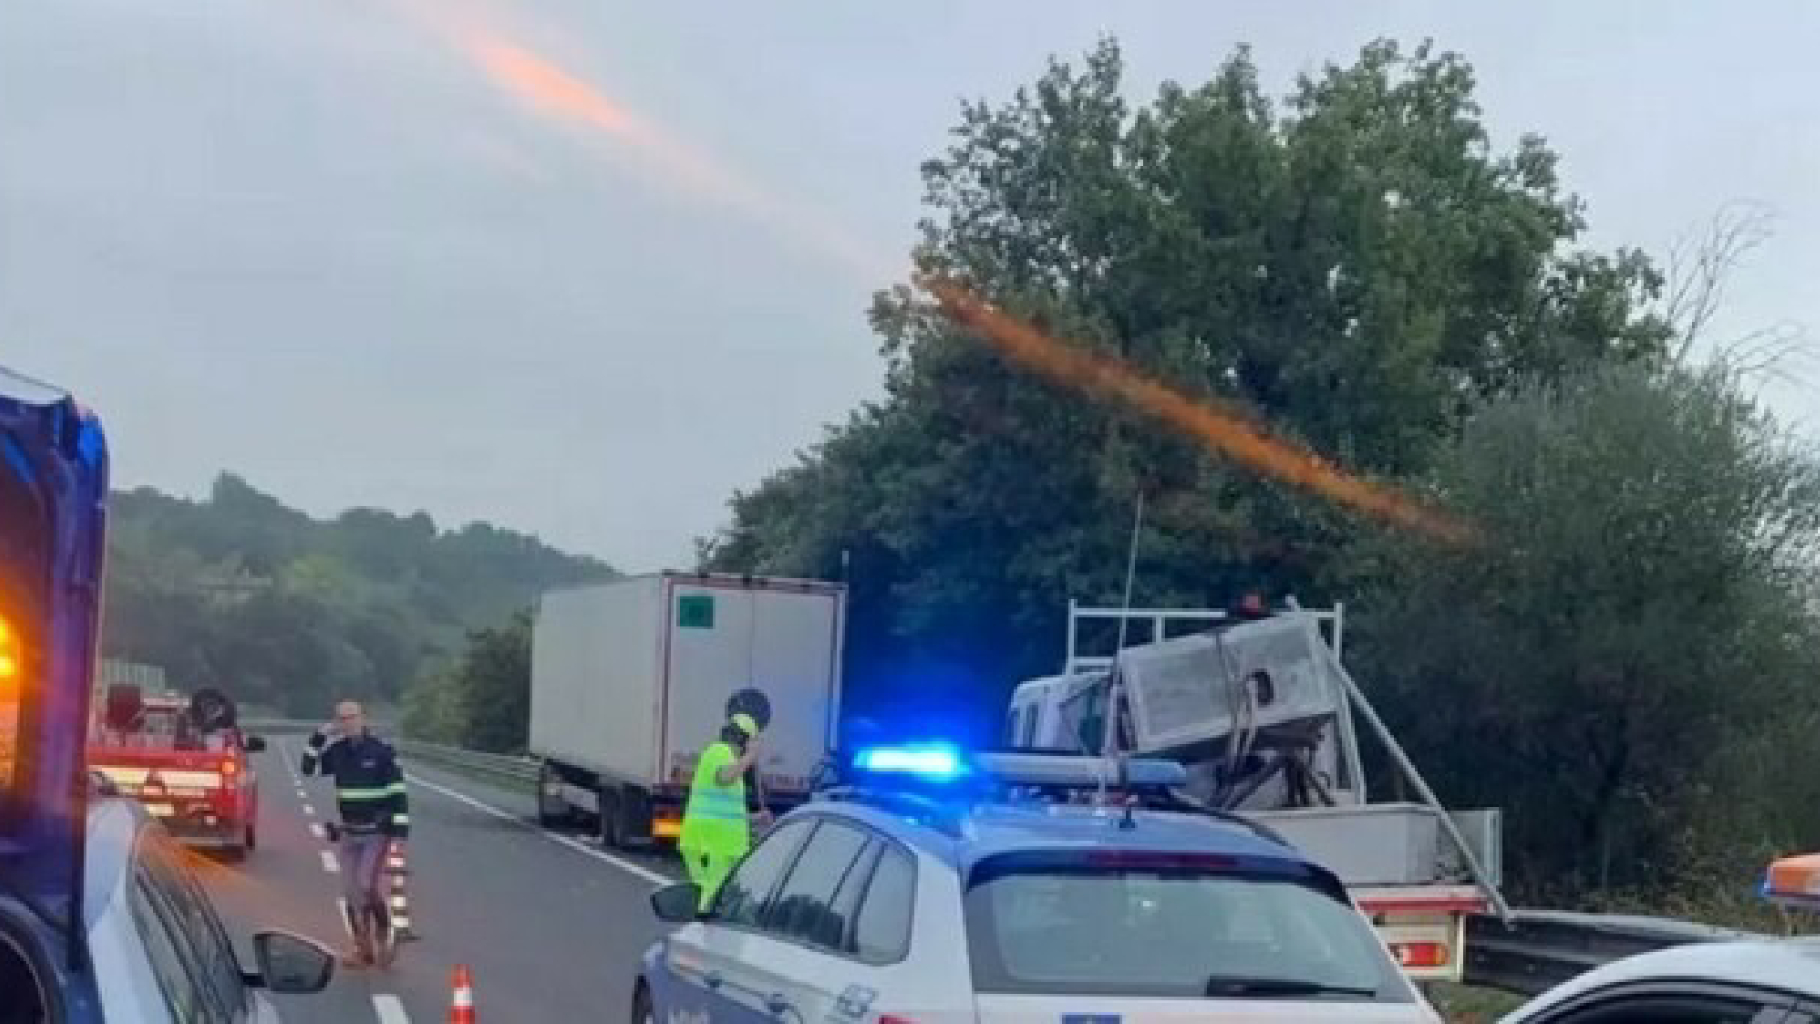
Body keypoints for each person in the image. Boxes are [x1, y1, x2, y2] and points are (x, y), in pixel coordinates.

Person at [300, 700, 409, 966]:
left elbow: (398, 791)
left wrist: (400, 831)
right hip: (349, 831)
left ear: (363, 718)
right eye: (341, 719)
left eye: (351, 717)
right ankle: (363, 948)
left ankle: (383, 929)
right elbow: (308, 769)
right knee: (350, 892)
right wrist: (318, 737)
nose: (347, 723)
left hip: (376, 832)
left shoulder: (381, 752)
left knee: (365, 885)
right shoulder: (337, 752)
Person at [678, 711, 763, 910]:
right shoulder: (719, 752)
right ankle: (704, 931)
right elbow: (723, 777)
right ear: (744, 740)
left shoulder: (728, 758)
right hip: (713, 844)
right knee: (711, 896)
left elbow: (725, 810)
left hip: (715, 843)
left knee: (712, 895)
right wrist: (750, 758)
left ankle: (704, 927)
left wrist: (754, 818)